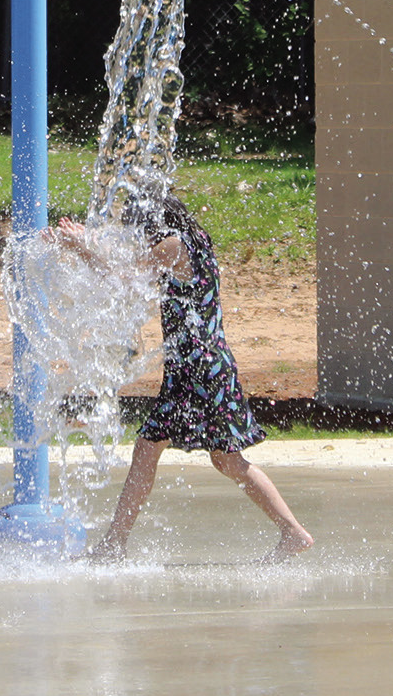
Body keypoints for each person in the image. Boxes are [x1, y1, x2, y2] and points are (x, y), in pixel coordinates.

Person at [51, 192, 314, 563]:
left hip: (198, 370)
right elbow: (135, 264)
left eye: (140, 230)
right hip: (206, 366)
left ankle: (114, 545)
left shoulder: (173, 246)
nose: (140, 238)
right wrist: (88, 240)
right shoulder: (195, 240)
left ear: (153, 225)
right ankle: (292, 532)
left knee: (150, 448)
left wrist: (80, 248)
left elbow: (122, 279)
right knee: (224, 459)